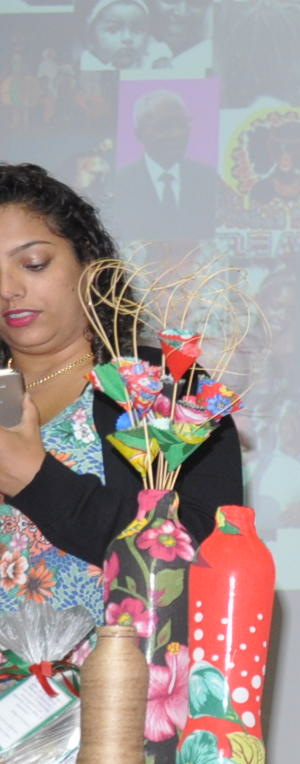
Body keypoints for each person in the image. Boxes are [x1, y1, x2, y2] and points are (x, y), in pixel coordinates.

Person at [0, 163, 243, 612]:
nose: (7, 288)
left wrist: (34, 479)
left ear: (88, 261)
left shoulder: (163, 386)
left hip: (117, 657)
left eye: (33, 264)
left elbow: (205, 557)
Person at [105, 90, 224, 241]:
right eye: (164, 126)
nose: (176, 134)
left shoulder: (207, 177)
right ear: (139, 133)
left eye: (182, 125)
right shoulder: (120, 182)